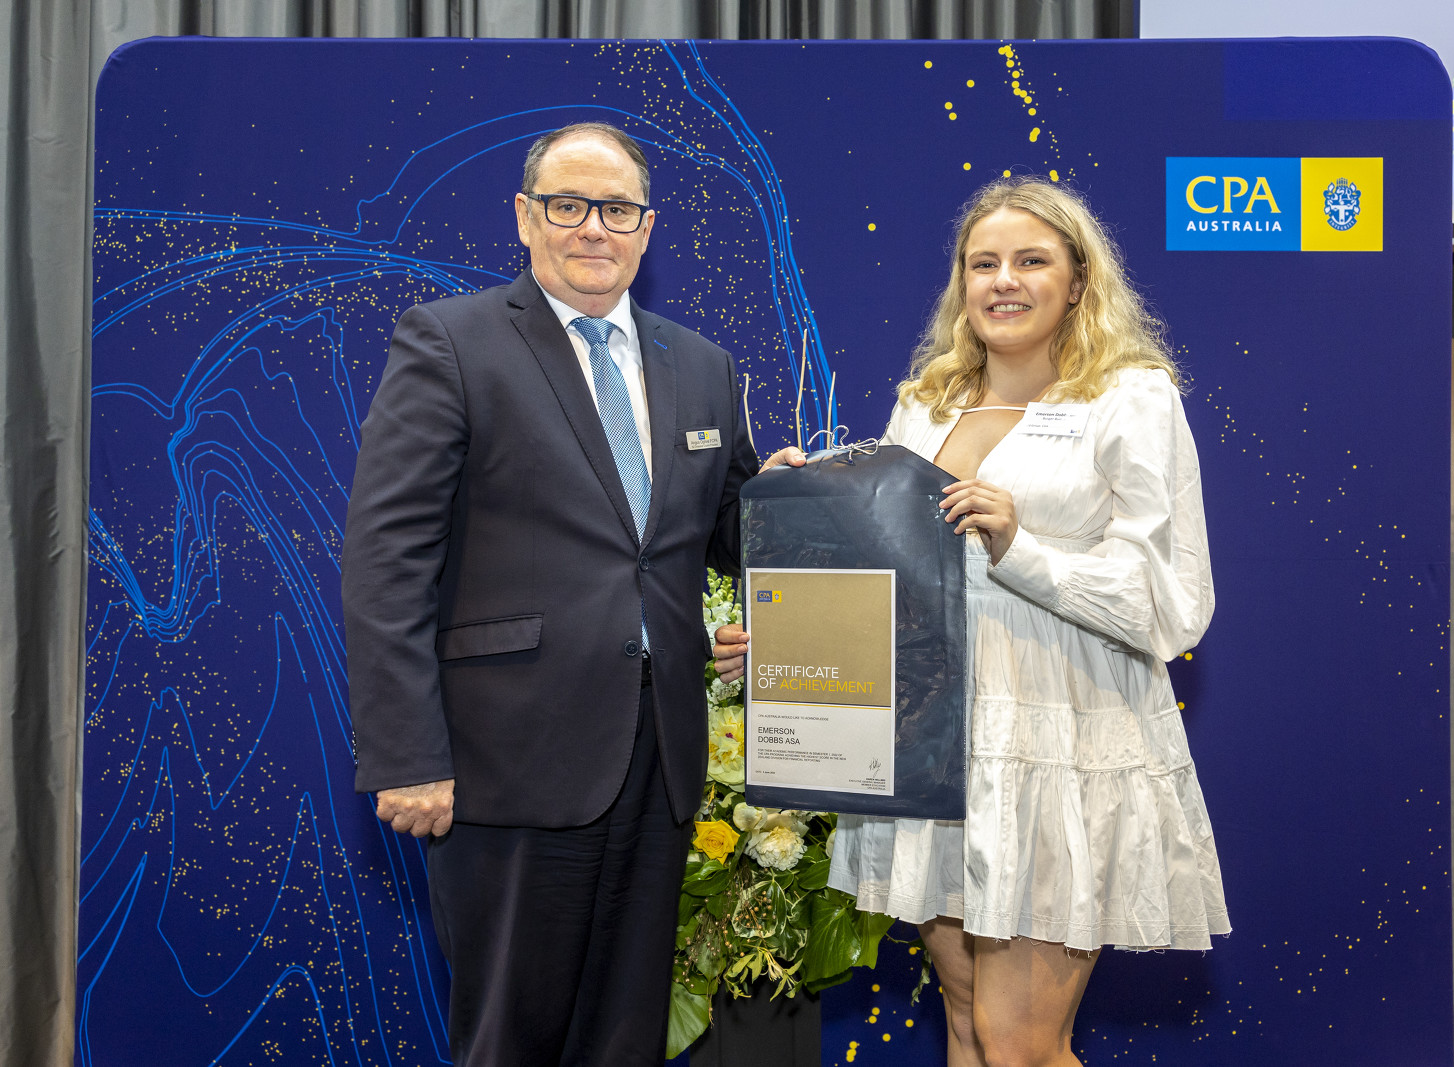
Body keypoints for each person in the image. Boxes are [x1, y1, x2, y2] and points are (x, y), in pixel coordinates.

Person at [713, 177, 1228, 1066]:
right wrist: (789, 605)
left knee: (1017, 1040)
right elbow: (891, 574)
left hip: (1058, 743)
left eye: (1032, 260)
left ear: (1079, 279)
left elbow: (1168, 603)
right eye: (983, 263)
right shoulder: (927, 404)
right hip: (935, 748)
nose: (1005, 280)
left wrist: (1019, 545)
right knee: (964, 1020)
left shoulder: (1131, 398)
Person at [342, 121, 757, 1066]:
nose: (593, 228)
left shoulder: (703, 365)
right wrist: (406, 753)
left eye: (616, 209)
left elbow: (729, 533)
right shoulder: (450, 342)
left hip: (658, 764)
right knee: (510, 1041)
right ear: (525, 218)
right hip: (508, 764)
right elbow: (386, 561)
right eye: (568, 206)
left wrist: (807, 500)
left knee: (625, 1041)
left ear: (647, 227)